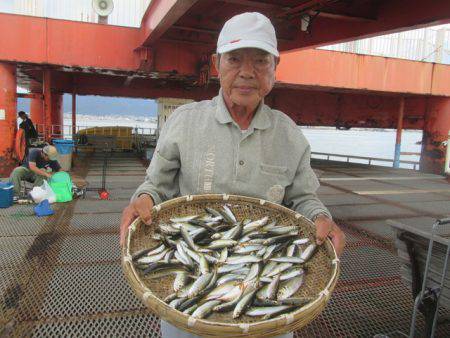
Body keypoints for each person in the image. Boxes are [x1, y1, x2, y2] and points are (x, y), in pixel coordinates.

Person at [120, 12, 345, 338]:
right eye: (235, 59)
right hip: (188, 315)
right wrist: (142, 199)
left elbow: (303, 198)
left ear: (275, 67)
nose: (246, 73)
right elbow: (156, 185)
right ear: (216, 64)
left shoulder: (289, 134)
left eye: (260, 61)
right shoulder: (184, 121)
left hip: (265, 318)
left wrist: (322, 217)